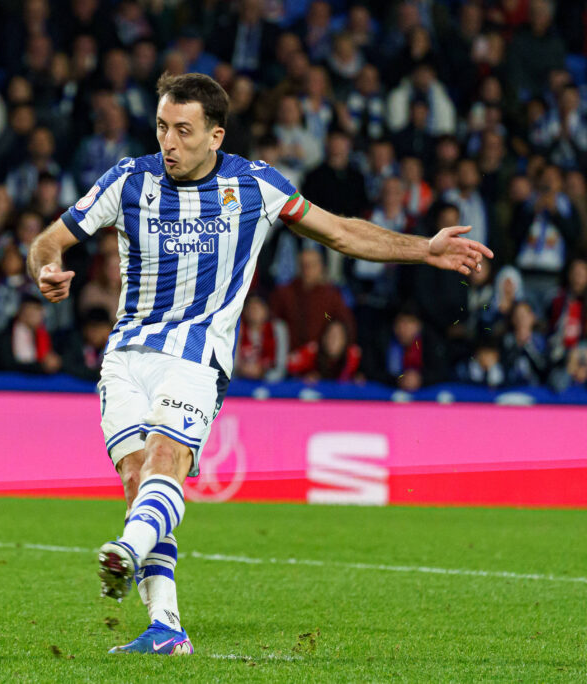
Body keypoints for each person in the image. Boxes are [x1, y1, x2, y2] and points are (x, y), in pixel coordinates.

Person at [28, 72, 492, 655]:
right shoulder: (128, 180)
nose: (168, 142)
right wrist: (45, 269)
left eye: (183, 130)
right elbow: (50, 239)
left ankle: (125, 549)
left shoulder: (256, 187)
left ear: (215, 135)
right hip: (125, 356)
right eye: (162, 128)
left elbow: (343, 233)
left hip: (196, 357)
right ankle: (166, 627)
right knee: (134, 480)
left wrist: (423, 248)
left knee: (164, 461)